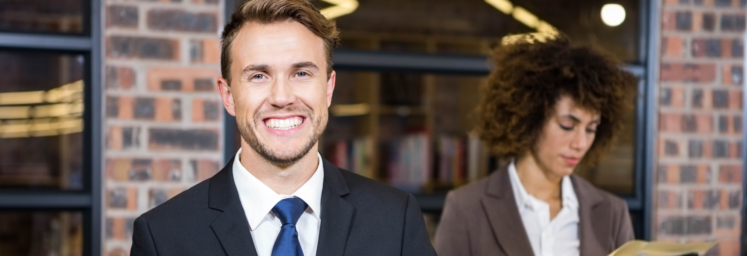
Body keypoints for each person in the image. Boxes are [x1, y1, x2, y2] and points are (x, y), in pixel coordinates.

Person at [130, 0, 436, 255]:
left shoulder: (396, 220)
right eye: (259, 76)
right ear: (228, 96)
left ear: (328, 89)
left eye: (301, 73)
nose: (281, 98)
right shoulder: (163, 236)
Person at [434, 34, 637, 256]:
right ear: (530, 118)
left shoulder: (612, 212)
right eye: (567, 125)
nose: (580, 143)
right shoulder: (466, 208)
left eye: (591, 129)